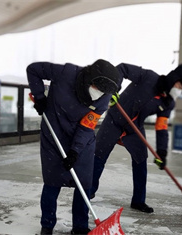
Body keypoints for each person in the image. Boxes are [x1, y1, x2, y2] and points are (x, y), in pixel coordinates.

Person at [27, 59, 121, 235]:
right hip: (53, 134)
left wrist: (75, 151)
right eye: (97, 88)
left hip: (82, 141)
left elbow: (87, 126)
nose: (98, 93)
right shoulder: (65, 73)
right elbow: (33, 70)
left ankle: (80, 227)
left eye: (103, 91)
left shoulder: (104, 97)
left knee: (84, 184)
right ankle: (47, 225)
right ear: (90, 79)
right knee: (52, 182)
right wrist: (40, 98)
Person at [91, 63, 182, 213]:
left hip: (134, 127)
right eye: (180, 86)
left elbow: (162, 127)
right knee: (99, 155)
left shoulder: (168, 103)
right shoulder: (148, 77)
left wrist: (162, 152)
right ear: (174, 78)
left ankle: (138, 200)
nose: (180, 91)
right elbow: (122, 68)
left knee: (141, 160)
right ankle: (90, 190)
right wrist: (115, 89)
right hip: (115, 119)